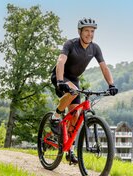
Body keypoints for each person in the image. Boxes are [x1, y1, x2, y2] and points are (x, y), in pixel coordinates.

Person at [50, 18, 118, 164]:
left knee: (76, 115)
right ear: (80, 31)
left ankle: (70, 149)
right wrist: (60, 81)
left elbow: (104, 67)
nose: (89, 34)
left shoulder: (95, 48)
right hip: (60, 75)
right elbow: (60, 61)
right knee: (74, 91)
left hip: (74, 79)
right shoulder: (70, 44)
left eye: (92, 31)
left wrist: (111, 85)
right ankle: (55, 117)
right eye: (86, 30)